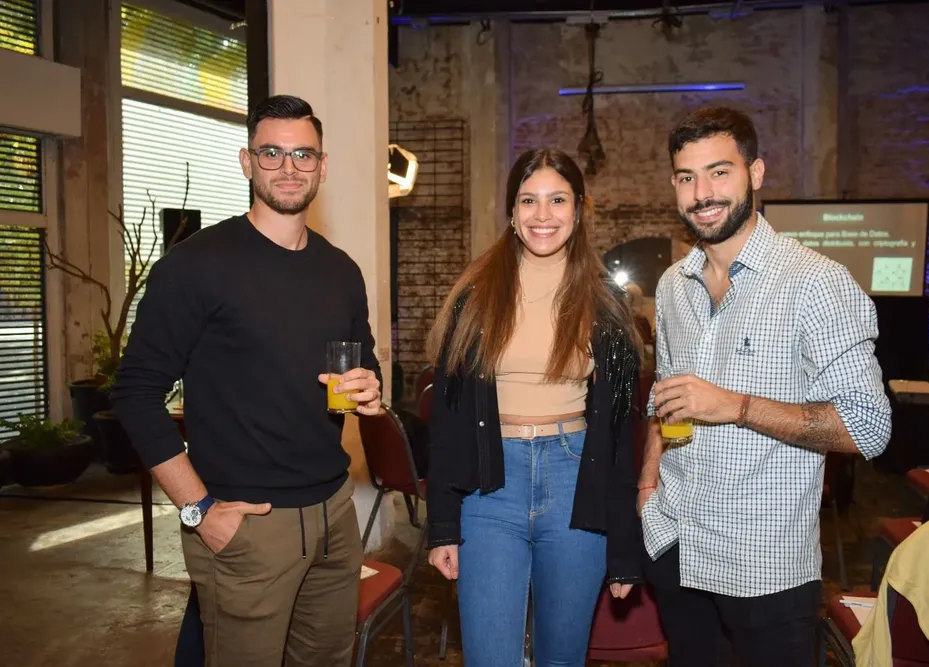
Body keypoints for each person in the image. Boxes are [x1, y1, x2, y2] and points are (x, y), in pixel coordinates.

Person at [112, 94, 383, 667]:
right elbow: (135, 393)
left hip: (335, 512)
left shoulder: (341, 270)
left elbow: (365, 365)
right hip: (247, 523)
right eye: (272, 153)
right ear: (246, 162)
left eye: (303, 154)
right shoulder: (196, 266)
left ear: (323, 166)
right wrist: (198, 511)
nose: (289, 167)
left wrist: (371, 392)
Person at [638, 106, 892, 667]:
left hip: (765, 567)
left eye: (719, 172)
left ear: (756, 173)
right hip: (678, 545)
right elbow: (665, 393)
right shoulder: (672, 286)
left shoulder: (817, 283)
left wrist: (736, 406)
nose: (702, 193)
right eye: (687, 177)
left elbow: (868, 429)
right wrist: (646, 490)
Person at [424, 148, 644, 667]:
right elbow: (448, 421)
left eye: (557, 200)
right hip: (489, 487)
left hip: (575, 482)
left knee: (562, 658)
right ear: (511, 210)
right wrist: (442, 527)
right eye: (529, 200)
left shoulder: (604, 303)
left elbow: (619, 437)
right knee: (489, 658)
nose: (542, 215)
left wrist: (624, 550)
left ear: (579, 208)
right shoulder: (475, 296)